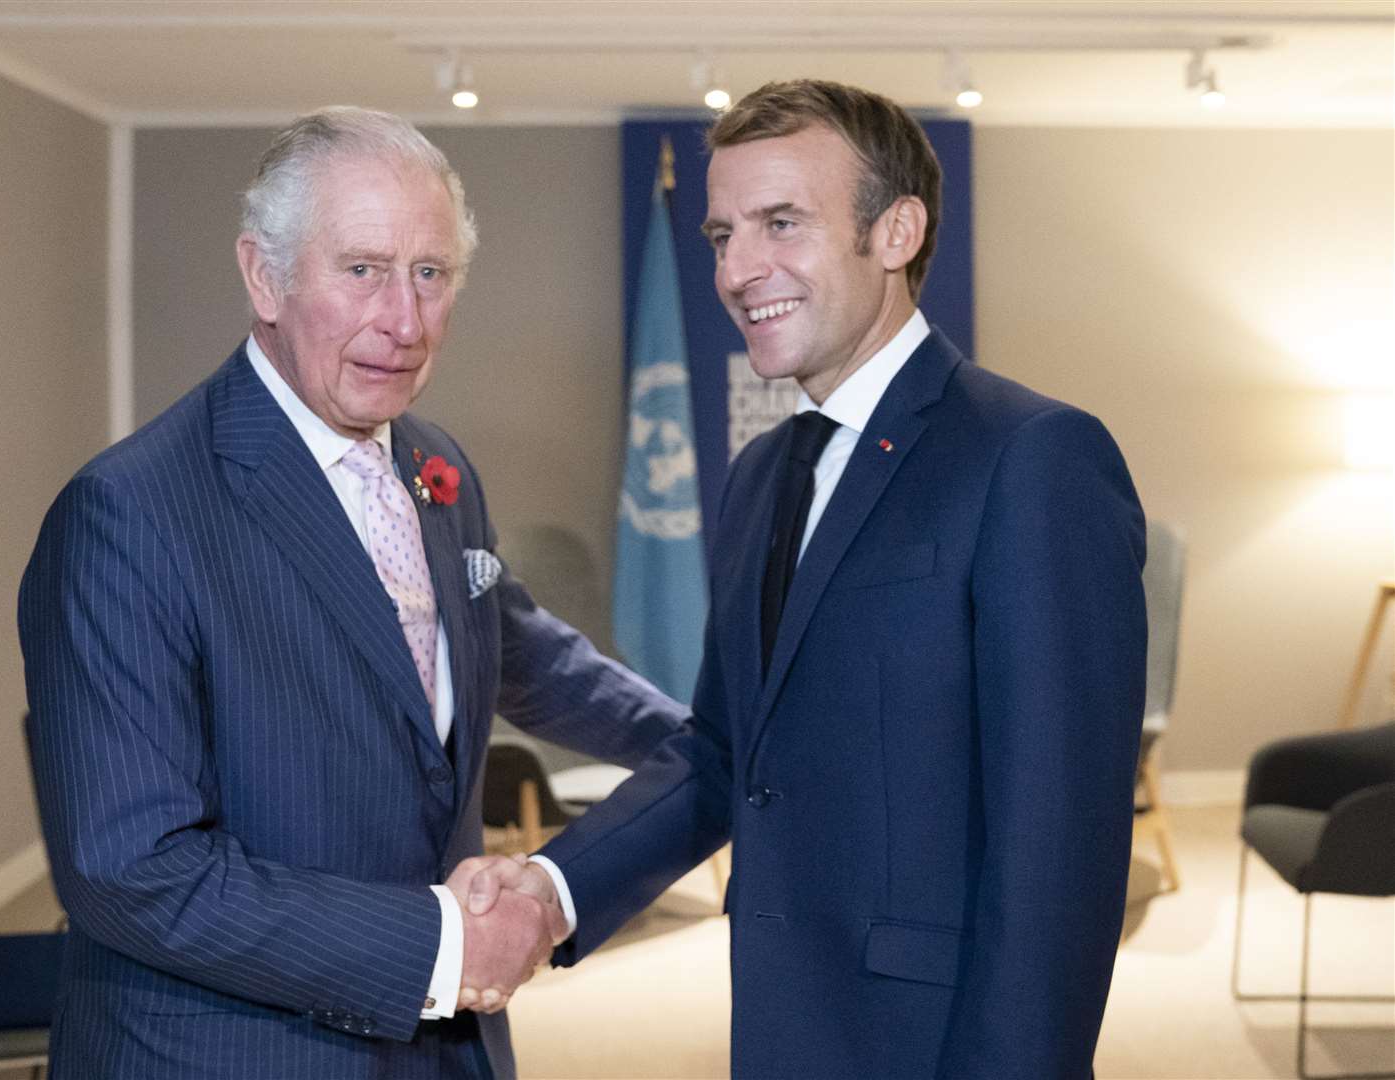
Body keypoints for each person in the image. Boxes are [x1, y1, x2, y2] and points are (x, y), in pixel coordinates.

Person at [464, 79, 1148, 1079]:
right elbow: (723, 755)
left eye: (782, 222)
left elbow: (1059, 847)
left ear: (896, 231)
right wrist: (550, 888)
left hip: (941, 1043)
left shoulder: (1031, 457)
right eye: (720, 234)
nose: (738, 269)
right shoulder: (756, 477)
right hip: (783, 1026)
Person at [18, 106, 685, 1080]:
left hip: (441, 1048)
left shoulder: (433, 464)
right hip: (231, 1055)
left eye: (430, 274)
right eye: (363, 270)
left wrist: (711, 742)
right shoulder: (126, 514)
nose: (404, 321)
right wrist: (444, 946)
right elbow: (131, 872)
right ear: (265, 275)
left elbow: (522, 653)